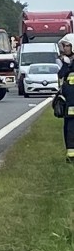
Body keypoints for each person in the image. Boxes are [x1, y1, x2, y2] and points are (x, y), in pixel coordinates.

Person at [56, 33, 74, 162]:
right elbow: (61, 75)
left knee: (71, 130)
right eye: (64, 46)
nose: (65, 48)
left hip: (72, 104)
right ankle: (70, 155)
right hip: (68, 105)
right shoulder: (67, 63)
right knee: (68, 130)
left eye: (67, 46)